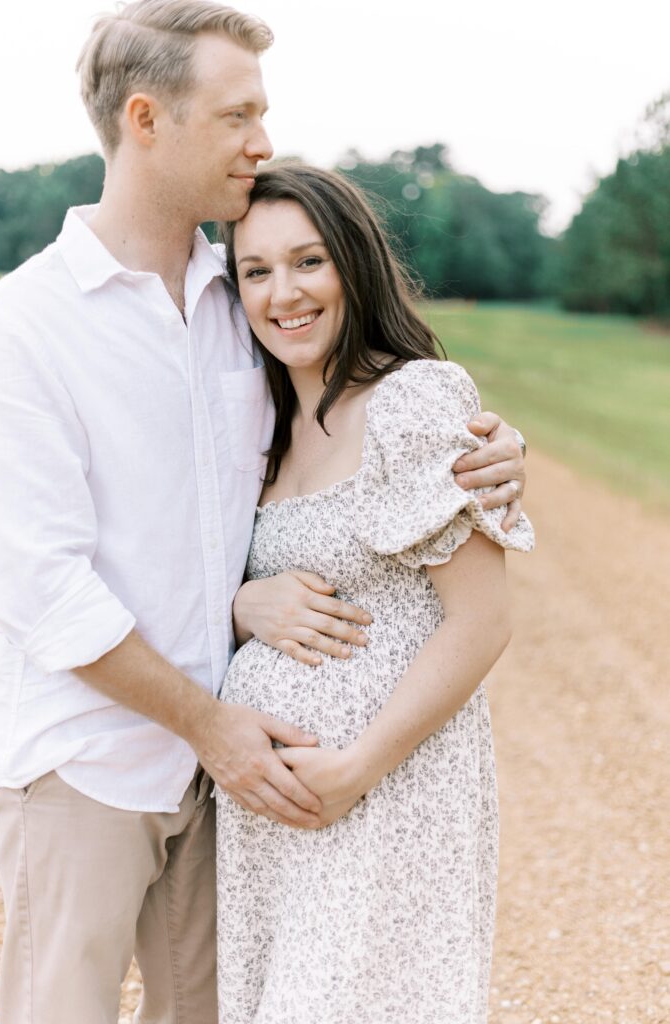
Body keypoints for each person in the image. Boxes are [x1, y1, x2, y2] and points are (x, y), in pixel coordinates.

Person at [0, 2, 527, 1022]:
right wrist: (213, 722)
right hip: (92, 760)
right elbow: (40, 589)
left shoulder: (237, 305)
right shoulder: (27, 325)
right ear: (147, 120)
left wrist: (493, 450)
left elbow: (344, 440)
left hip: (232, 785)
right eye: (239, 115)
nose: (262, 141)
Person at [216, 163, 535, 1024]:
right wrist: (242, 608)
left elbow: (482, 620)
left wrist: (357, 767)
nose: (283, 292)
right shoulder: (259, 422)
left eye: (308, 261)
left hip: (388, 792)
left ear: (353, 264)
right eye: (255, 270)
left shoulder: (412, 401)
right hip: (272, 816)